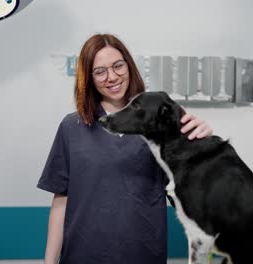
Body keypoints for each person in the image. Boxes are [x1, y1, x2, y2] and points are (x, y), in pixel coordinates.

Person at [37, 33, 212, 264]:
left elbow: (196, 189)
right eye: (100, 71)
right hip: (83, 255)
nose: (112, 77)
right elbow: (61, 200)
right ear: (88, 78)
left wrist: (202, 142)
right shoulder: (73, 126)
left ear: (129, 65)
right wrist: (49, 262)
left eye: (118, 66)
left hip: (142, 254)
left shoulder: (161, 122)